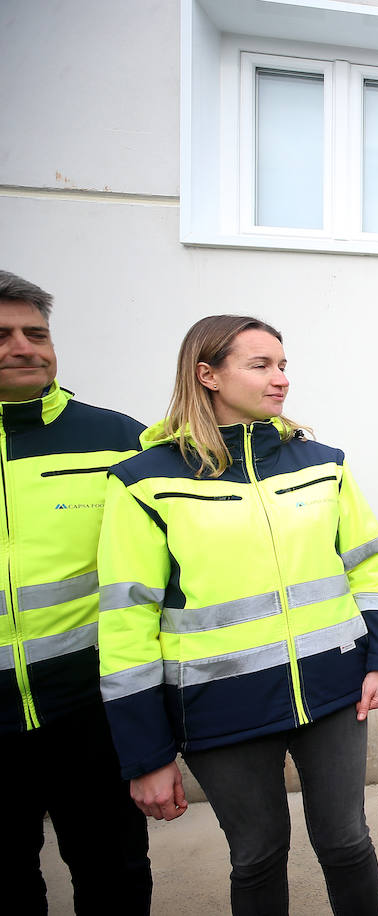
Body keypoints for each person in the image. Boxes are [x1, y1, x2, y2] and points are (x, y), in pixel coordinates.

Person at [97, 315, 378, 915]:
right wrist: (145, 753)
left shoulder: (323, 463)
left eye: (283, 365)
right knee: (258, 855)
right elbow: (126, 622)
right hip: (219, 704)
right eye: (260, 365)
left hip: (333, 690)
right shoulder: (145, 481)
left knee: (346, 843)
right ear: (206, 374)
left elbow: (370, 565)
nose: (280, 379)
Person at [0, 270, 152, 914]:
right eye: (3, 335)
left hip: (89, 708)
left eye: (36, 332)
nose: (24, 346)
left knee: (112, 871)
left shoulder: (117, 439)